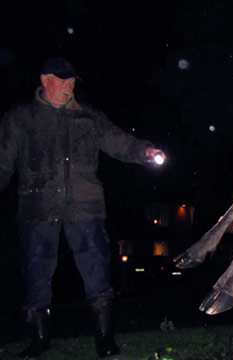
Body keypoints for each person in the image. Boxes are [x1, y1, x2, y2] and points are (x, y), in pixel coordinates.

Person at [0, 57, 166, 358]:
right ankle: (39, 340)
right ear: (45, 80)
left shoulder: (88, 118)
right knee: (36, 272)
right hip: (37, 207)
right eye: (63, 80)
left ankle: (104, 339)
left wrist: (144, 151)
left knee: (97, 271)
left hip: (85, 207)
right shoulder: (20, 118)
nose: (69, 85)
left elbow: (118, 141)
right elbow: (2, 163)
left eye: (72, 81)